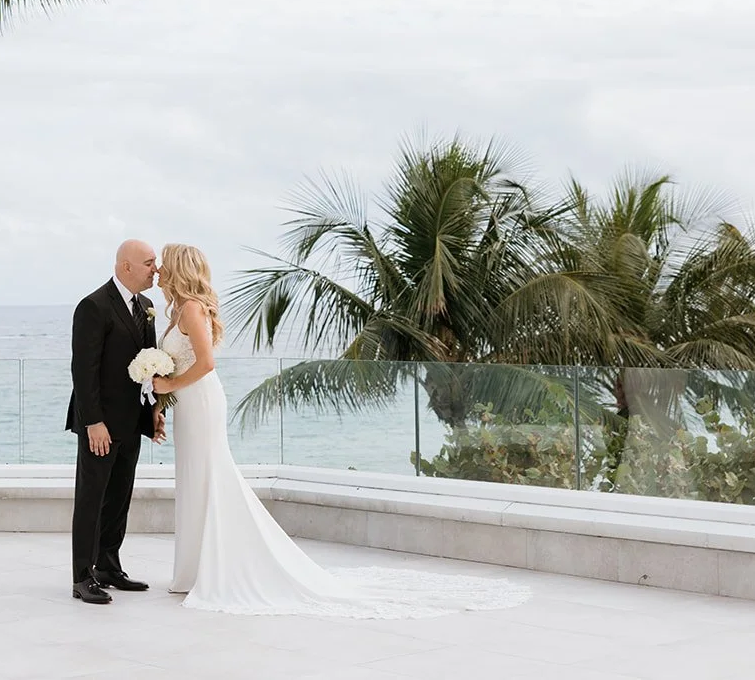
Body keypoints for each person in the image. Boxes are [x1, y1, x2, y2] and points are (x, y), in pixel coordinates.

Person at [151, 242, 530, 618]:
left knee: (209, 477)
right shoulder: (177, 312)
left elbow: (206, 364)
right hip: (188, 405)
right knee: (195, 478)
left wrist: (168, 386)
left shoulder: (191, 308)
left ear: (178, 268)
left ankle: (215, 566)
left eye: (163, 263)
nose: (159, 269)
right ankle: (195, 567)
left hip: (200, 401)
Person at [65, 239, 166, 605]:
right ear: (125, 266)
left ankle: (109, 565)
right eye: (149, 263)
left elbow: (150, 365)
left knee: (120, 497)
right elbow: (83, 370)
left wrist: (155, 410)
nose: (156, 269)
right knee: (92, 498)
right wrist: (93, 422)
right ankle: (82, 576)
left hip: (131, 420)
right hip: (100, 426)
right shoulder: (93, 306)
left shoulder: (148, 306)